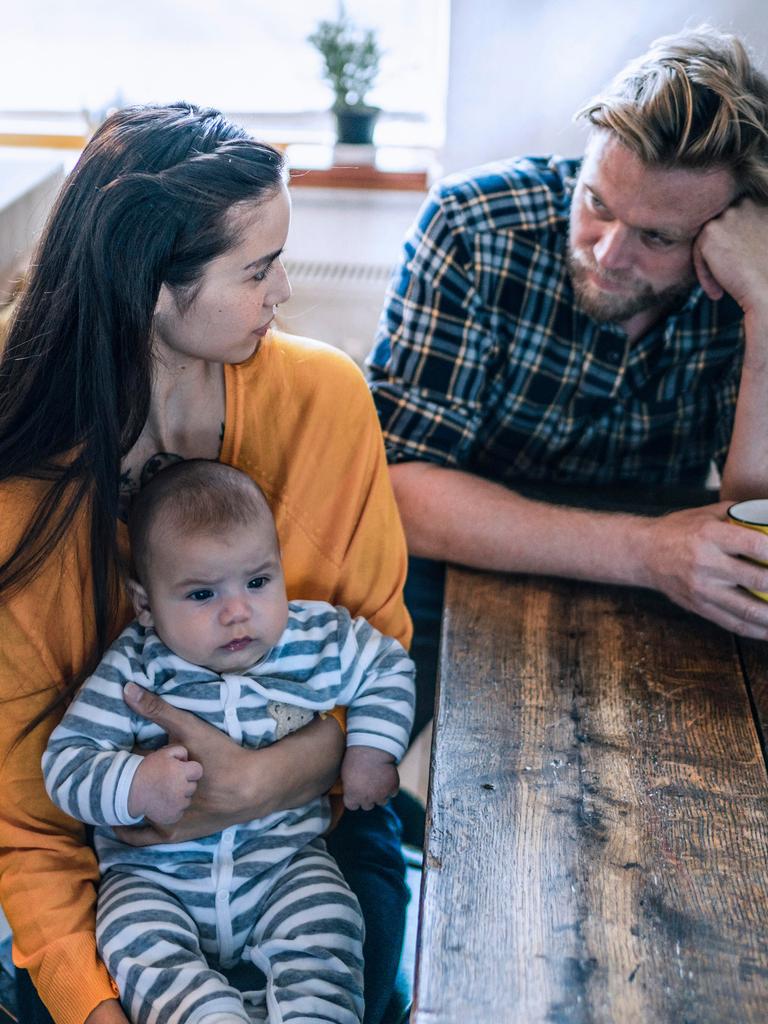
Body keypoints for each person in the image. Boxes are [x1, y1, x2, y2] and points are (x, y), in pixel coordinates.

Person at [0, 103, 411, 1024]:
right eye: (259, 270)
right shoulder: (15, 470)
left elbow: (377, 666)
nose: (283, 295)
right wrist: (100, 1009)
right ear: (151, 287)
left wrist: (258, 781)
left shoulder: (326, 403)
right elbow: (28, 817)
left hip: (311, 843)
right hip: (110, 874)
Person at [367, 25, 768, 739]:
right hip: (469, 538)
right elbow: (399, 493)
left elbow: (753, 529)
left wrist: (764, 307)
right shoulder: (473, 226)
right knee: (356, 732)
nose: (609, 254)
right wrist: (645, 552)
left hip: (673, 564)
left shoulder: (751, 276)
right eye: (598, 204)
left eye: (659, 238)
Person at [43, 460, 415, 1024]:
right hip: (156, 881)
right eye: (201, 594)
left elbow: (387, 666)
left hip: (283, 865)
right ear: (146, 604)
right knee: (131, 938)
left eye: (259, 582)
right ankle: (208, 1014)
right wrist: (136, 784)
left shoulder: (312, 638)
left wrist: (370, 749)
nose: (237, 612)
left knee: (330, 923)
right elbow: (66, 764)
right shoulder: (136, 668)